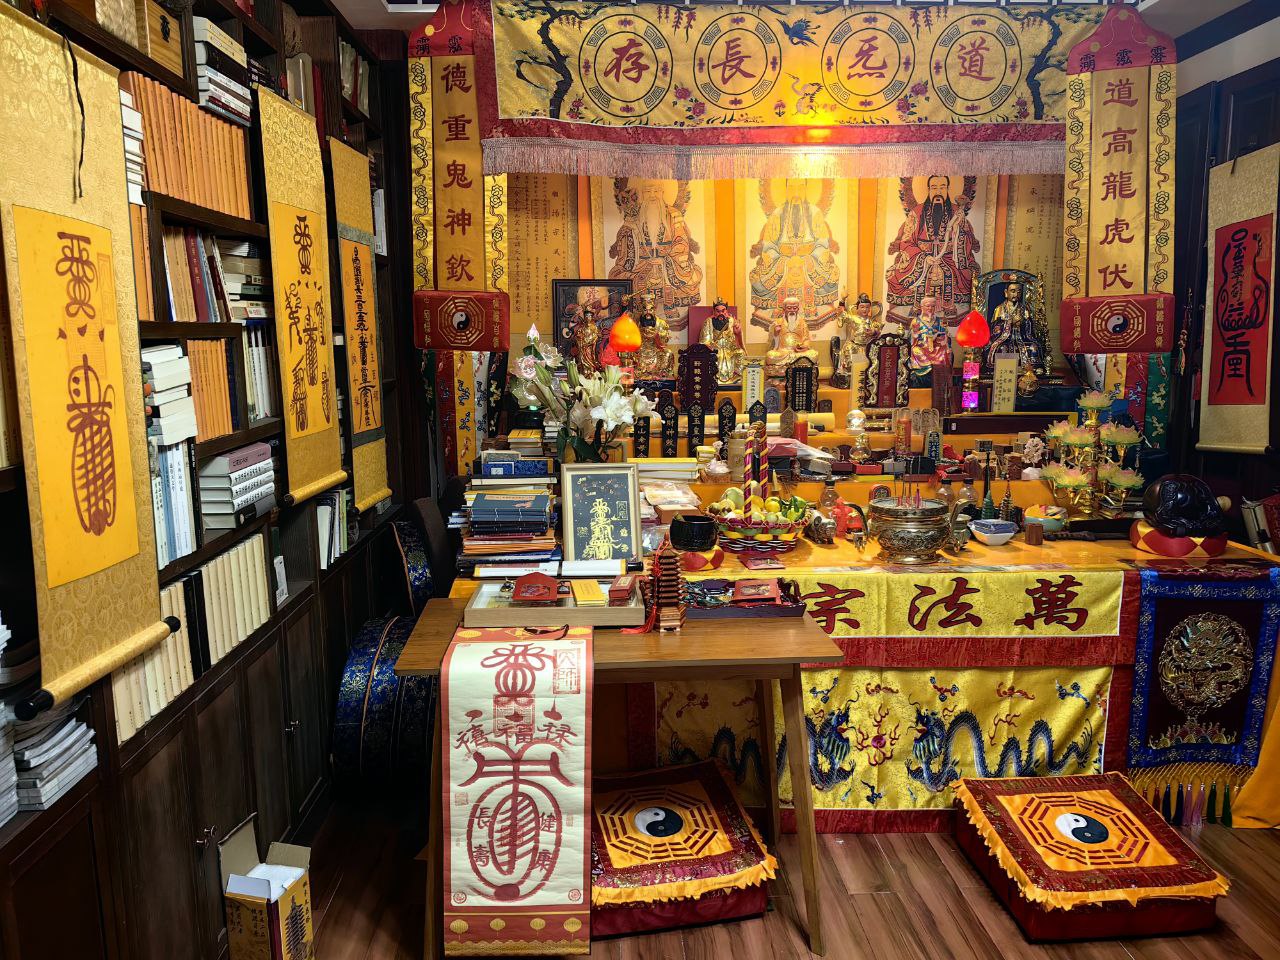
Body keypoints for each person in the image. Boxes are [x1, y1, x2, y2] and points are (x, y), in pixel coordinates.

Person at [886, 174, 981, 325]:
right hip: (920, 258)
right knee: (895, 274)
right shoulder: (916, 212)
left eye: (942, 187)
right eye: (934, 188)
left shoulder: (957, 212)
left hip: (950, 257)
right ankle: (918, 308)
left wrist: (959, 227)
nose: (938, 192)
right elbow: (906, 241)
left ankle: (949, 308)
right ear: (928, 190)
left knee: (961, 273)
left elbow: (967, 239)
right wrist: (924, 258)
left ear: (948, 189)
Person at [984, 281, 1047, 377]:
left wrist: (1024, 322)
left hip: (1022, 337)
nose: (1016, 294)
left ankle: (1032, 368)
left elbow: (1030, 327)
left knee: (1033, 347)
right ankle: (1001, 369)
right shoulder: (999, 308)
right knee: (1002, 348)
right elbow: (994, 327)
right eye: (1013, 291)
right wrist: (1009, 322)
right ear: (1006, 292)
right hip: (1005, 339)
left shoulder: (1024, 309)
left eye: (1019, 292)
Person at [764, 295, 819, 381]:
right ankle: (780, 376)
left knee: (813, 354)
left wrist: (803, 347)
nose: (792, 310)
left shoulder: (802, 323)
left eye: (795, 308)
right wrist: (776, 334)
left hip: (798, 353)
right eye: (789, 308)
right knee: (770, 355)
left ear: (798, 309)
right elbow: (771, 344)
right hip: (782, 352)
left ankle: (793, 372)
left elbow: (806, 339)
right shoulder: (777, 323)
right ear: (784, 309)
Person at [699, 298, 746, 384]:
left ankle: (737, 377)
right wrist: (709, 345)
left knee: (740, 353)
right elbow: (704, 339)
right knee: (714, 357)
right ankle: (713, 379)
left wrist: (738, 332)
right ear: (714, 312)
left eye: (723, 311)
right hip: (715, 349)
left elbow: (737, 337)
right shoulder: (708, 322)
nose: (720, 313)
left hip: (730, 349)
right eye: (718, 311)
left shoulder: (732, 321)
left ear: (726, 311)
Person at [908, 295, 952, 386]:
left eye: (933, 306)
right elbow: (911, 338)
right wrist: (916, 334)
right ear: (922, 307)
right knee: (915, 350)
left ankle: (939, 374)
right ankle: (924, 370)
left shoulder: (940, 321)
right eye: (928, 306)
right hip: (921, 347)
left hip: (936, 347)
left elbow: (945, 335)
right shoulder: (916, 321)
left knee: (944, 351)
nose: (930, 308)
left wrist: (940, 337)